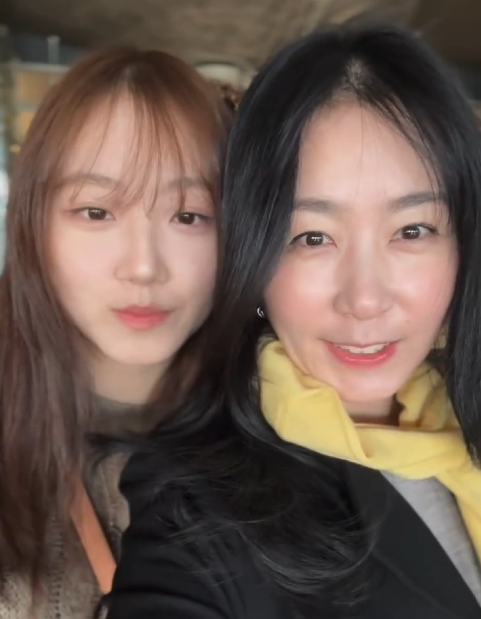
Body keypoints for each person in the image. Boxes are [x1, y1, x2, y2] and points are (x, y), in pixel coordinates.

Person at [106, 21, 481, 619]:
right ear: (253, 257)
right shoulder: (195, 511)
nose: (364, 298)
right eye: (311, 237)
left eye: (412, 230)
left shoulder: (459, 418)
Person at [0, 47, 230, 618]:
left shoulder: (300, 432)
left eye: (189, 215)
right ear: (33, 225)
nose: (143, 267)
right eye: (97, 212)